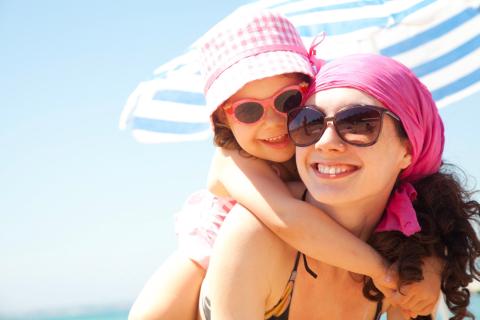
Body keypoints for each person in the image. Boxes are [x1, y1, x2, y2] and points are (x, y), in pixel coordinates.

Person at [129, 10, 441, 320]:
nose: (274, 121)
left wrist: (430, 263)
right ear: (224, 119)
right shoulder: (233, 161)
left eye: (288, 102)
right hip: (217, 241)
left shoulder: (319, 141)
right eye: (249, 111)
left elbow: (417, 211)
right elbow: (288, 219)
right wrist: (383, 271)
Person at [199, 53, 480, 319]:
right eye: (308, 123)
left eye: (358, 123)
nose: (326, 142)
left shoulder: (408, 255)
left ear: (407, 150)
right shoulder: (255, 234)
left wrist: (429, 262)